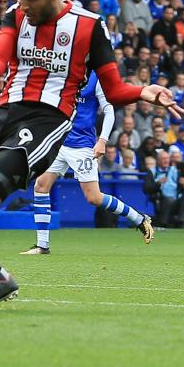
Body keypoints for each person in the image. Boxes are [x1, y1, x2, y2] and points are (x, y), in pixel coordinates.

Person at [0, 0, 183, 310]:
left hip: (48, 118)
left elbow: (114, 90)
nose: (23, 5)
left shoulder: (89, 26)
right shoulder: (16, 14)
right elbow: (0, 48)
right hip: (3, 110)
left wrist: (143, 91)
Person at [22, 72, 154, 254]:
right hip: (58, 141)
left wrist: (102, 140)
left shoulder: (96, 77)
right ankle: (42, 245)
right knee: (41, 186)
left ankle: (139, 218)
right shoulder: (62, 70)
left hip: (82, 146)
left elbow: (108, 110)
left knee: (94, 197)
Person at [143, 150, 184, 228]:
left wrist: (183, 184)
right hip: (161, 201)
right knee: (169, 199)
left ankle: (181, 221)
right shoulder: (152, 172)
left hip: (176, 201)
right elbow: (146, 189)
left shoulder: (175, 170)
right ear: (158, 160)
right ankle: (164, 223)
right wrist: (158, 183)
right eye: (163, 159)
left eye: (167, 158)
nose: (166, 160)